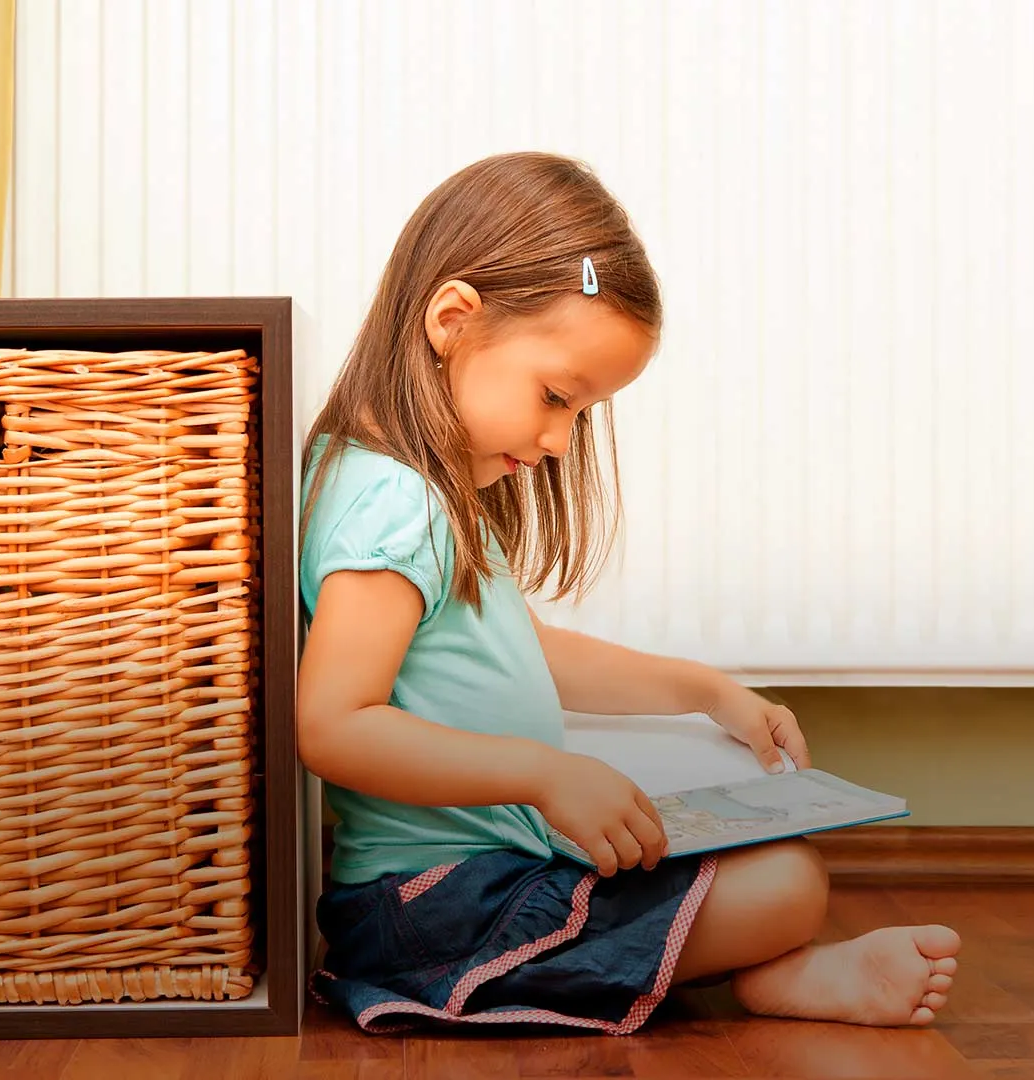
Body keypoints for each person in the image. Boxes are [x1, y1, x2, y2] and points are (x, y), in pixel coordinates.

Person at [298, 151, 961, 1036]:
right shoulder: (393, 503)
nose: (562, 440)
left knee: (768, 864)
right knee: (787, 883)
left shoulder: (414, 487)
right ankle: (771, 972)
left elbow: (524, 652)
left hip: (477, 877)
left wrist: (701, 689)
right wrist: (544, 774)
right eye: (556, 397)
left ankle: (760, 969)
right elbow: (335, 722)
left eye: (580, 414)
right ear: (452, 320)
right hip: (435, 908)